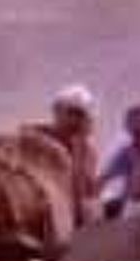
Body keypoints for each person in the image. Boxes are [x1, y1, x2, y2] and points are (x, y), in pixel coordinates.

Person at [43, 83, 103, 225]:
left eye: (80, 115)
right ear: (57, 111)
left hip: (74, 221)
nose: (74, 120)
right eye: (71, 113)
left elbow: (90, 191)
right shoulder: (40, 142)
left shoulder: (87, 151)